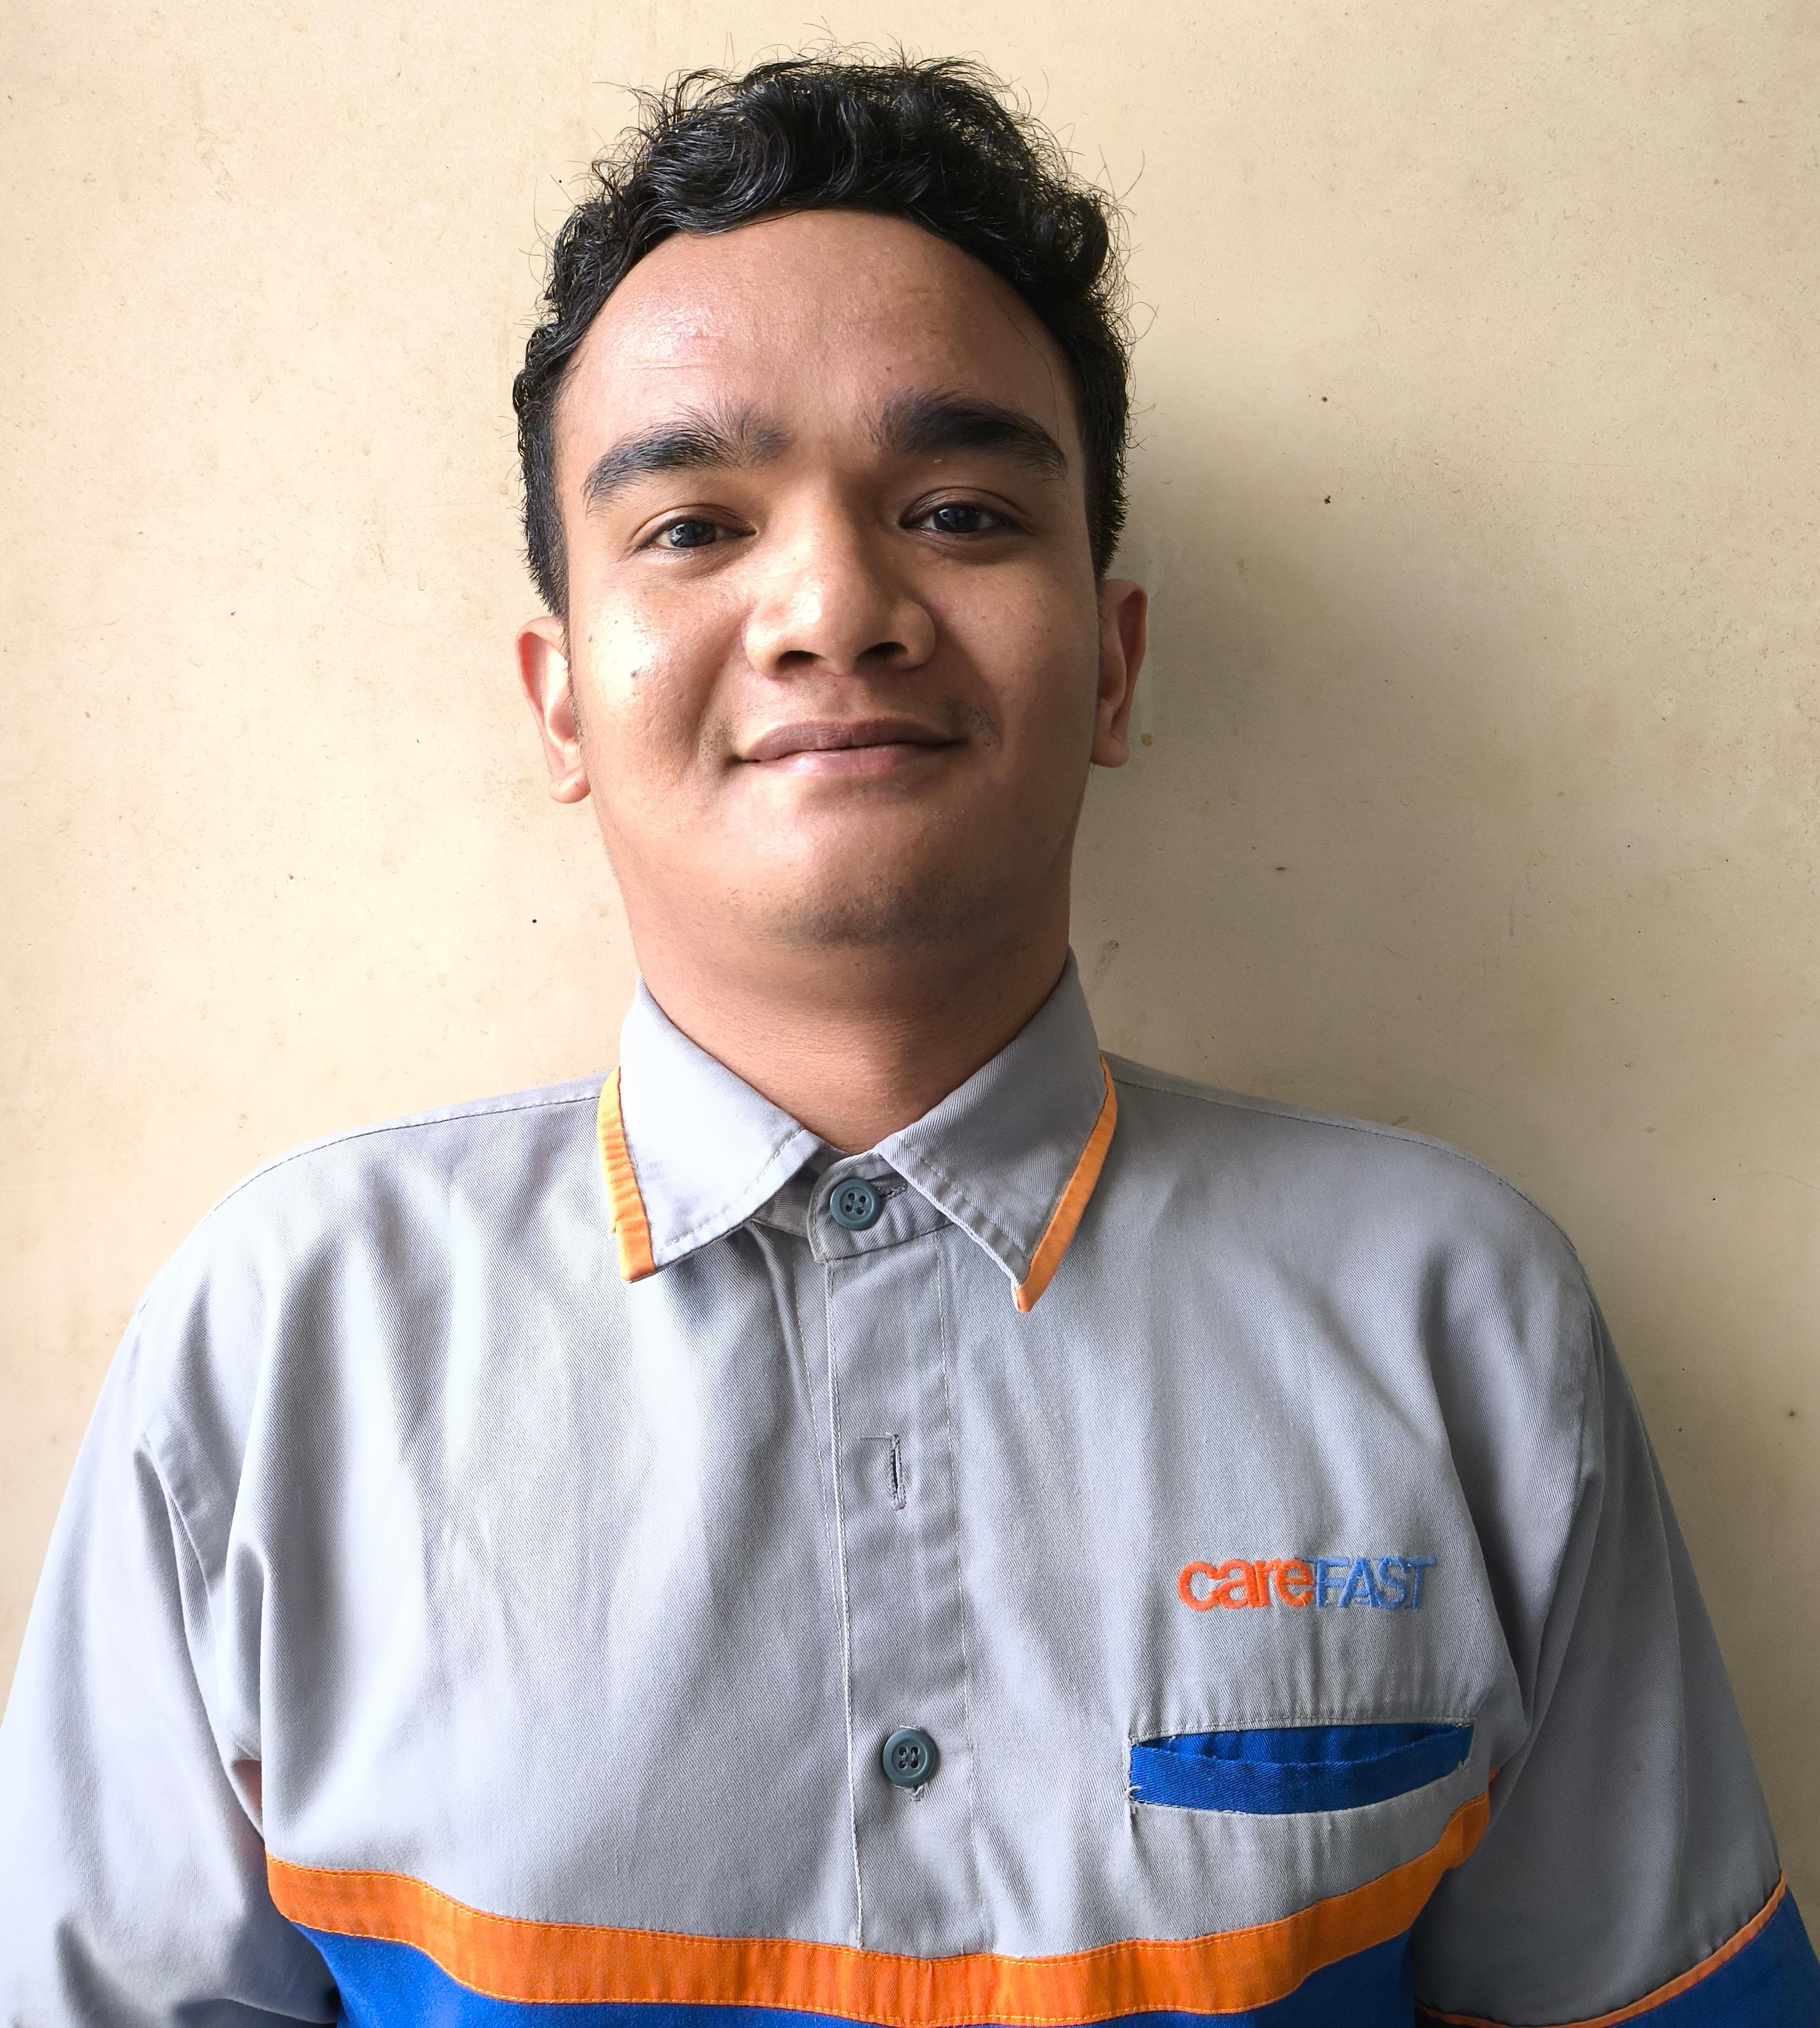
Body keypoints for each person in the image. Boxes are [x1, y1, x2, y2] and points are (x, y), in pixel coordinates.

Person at [1, 51, 1814, 2028]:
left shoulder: (1454, 1319)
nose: (835, 607)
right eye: (693, 525)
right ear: (560, 700)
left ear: (1110, 665)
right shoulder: (278, 1348)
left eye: (956, 509)